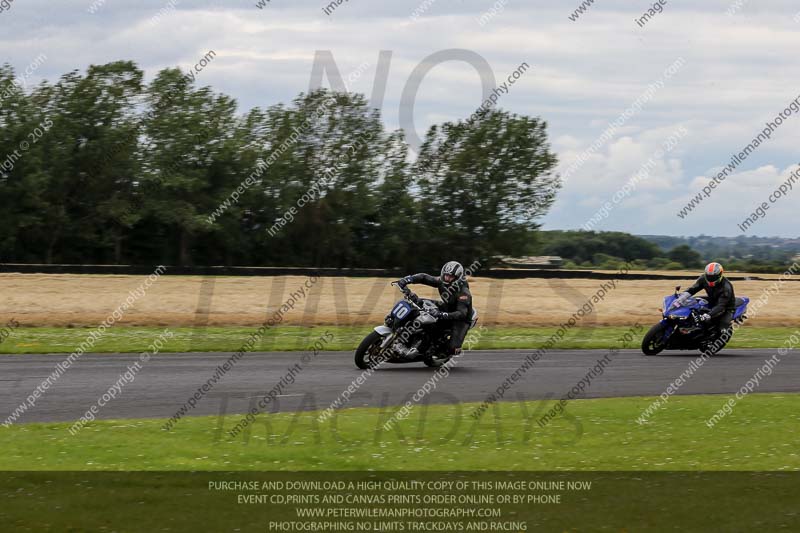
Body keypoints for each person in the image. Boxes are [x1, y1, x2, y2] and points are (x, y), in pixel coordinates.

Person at [395, 261, 474, 356]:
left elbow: (461, 314)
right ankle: (400, 330)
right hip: (447, 307)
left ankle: (434, 350)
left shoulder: (464, 293)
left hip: (461, 319)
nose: (447, 278)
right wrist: (408, 279)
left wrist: (441, 314)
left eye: (451, 277)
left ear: (458, 278)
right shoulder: (442, 281)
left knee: (453, 349)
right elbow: (424, 277)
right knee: (417, 304)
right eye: (446, 275)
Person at [675, 262, 736, 337]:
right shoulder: (703, 279)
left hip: (726, 307)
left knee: (722, 330)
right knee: (693, 301)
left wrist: (708, 315)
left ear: (720, 275)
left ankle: (712, 337)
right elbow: (693, 289)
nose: (711, 279)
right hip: (712, 300)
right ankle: (689, 326)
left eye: (713, 277)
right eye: (709, 276)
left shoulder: (726, 287)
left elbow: (721, 306)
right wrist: (682, 297)